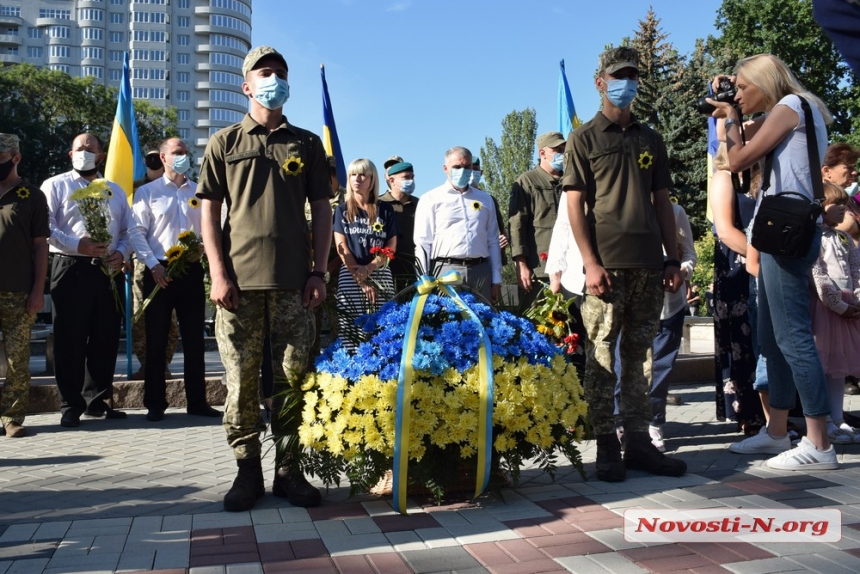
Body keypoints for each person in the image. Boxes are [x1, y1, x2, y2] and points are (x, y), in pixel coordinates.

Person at [197, 46, 332, 511]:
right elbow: (210, 213)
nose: (273, 79)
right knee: (241, 384)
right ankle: (246, 472)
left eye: (280, 73)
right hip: (239, 286)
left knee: (295, 381)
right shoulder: (225, 143)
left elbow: (322, 212)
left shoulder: (307, 144)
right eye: (264, 73)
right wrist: (217, 273)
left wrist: (319, 271)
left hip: (296, 285)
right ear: (246, 85)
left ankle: (290, 472)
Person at [562, 46, 686, 482]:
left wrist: (672, 258)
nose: (626, 83)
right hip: (606, 269)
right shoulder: (584, 138)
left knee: (640, 357)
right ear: (600, 82)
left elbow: (663, 201)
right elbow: (575, 206)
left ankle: (638, 442)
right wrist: (589, 263)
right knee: (601, 357)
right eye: (618, 75)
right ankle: (606, 445)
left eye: (632, 75)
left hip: (650, 266)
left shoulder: (650, 137)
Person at [711, 53, 837, 470]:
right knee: (772, 337)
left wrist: (730, 113)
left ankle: (819, 444)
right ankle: (777, 432)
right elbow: (735, 136)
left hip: (785, 231)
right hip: (775, 231)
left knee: (793, 337)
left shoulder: (790, 107)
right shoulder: (792, 110)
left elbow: (737, 158)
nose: (741, 96)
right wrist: (726, 105)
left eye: (745, 88)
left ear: (766, 82)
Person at [41, 133, 132, 427]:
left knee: (105, 337)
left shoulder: (114, 191)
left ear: (101, 157)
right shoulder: (55, 185)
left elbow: (128, 230)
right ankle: (71, 403)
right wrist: (76, 244)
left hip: (106, 271)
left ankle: (97, 400)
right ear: (70, 155)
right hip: (70, 267)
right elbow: (46, 227)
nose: (84, 152)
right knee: (69, 338)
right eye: (79, 148)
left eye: (90, 149)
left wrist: (120, 252)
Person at [130, 137, 221, 422]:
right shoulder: (147, 192)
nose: (183, 156)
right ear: (164, 157)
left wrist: (205, 251)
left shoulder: (199, 192)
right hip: (158, 271)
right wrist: (153, 265)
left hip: (191, 270)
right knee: (156, 338)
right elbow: (136, 232)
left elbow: (211, 229)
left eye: (186, 152)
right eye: (178, 153)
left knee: (195, 338)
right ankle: (155, 403)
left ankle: (197, 401)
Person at [614, 202, 697, 452]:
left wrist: (682, 272)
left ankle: (653, 422)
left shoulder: (675, 212)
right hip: (629, 303)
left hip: (669, 305)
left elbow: (690, 255)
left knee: (660, 365)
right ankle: (621, 421)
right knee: (623, 363)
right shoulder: (622, 208)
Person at [709, 141, 766, 435]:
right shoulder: (724, 177)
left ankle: (776, 411)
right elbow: (726, 231)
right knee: (741, 344)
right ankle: (749, 414)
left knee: (763, 341)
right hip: (736, 269)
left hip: (762, 265)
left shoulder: (765, 178)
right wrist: (760, 257)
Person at [0, 134, 49, 438]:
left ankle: (12, 418)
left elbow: (41, 246)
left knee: (17, 359)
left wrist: (37, 290)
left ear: (15, 158)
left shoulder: (31, 195)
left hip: (18, 292)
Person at [414, 146, 502, 302]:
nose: (462, 171)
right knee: (448, 323)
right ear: (445, 168)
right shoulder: (430, 199)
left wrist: (496, 278)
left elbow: (493, 240)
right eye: (457, 167)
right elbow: (423, 242)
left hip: (481, 271)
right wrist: (423, 278)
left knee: (484, 323)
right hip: (446, 271)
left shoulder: (486, 199)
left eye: (467, 166)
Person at [809, 183, 860, 443]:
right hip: (827, 310)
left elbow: (855, 269)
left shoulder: (844, 237)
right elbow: (818, 275)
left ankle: (839, 418)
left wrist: (857, 300)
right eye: (836, 203)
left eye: (845, 203)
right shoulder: (814, 236)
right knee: (823, 365)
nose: (843, 207)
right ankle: (825, 420)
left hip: (849, 308)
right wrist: (838, 306)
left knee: (839, 368)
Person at [334, 159, 398, 347]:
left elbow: (391, 246)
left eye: (362, 175)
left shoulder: (385, 209)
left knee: (384, 332)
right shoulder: (342, 210)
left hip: (380, 274)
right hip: (350, 276)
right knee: (351, 334)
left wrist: (370, 268)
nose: (357, 179)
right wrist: (361, 279)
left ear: (372, 179)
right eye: (353, 174)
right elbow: (342, 247)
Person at [131, 150, 178, 382]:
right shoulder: (136, 188)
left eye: (154, 157)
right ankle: (146, 364)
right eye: (148, 158)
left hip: (172, 262)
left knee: (170, 322)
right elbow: (130, 226)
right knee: (140, 317)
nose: (152, 162)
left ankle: (164, 364)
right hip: (142, 264)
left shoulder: (176, 184)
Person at [509, 132, 566, 301]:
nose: (562, 154)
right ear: (542, 153)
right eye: (557, 150)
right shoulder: (527, 181)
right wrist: (521, 264)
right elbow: (516, 225)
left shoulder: (571, 180)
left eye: (564, 149)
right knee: (541, 324)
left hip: (571, 267)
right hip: (540, 268)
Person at [378, 160, 419, 293]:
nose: (411, 181)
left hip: (415, 271)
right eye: (406, 178)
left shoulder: (420, 204)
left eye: (412, 177)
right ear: (391, 180)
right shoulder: (378, 205)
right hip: (386, 272)